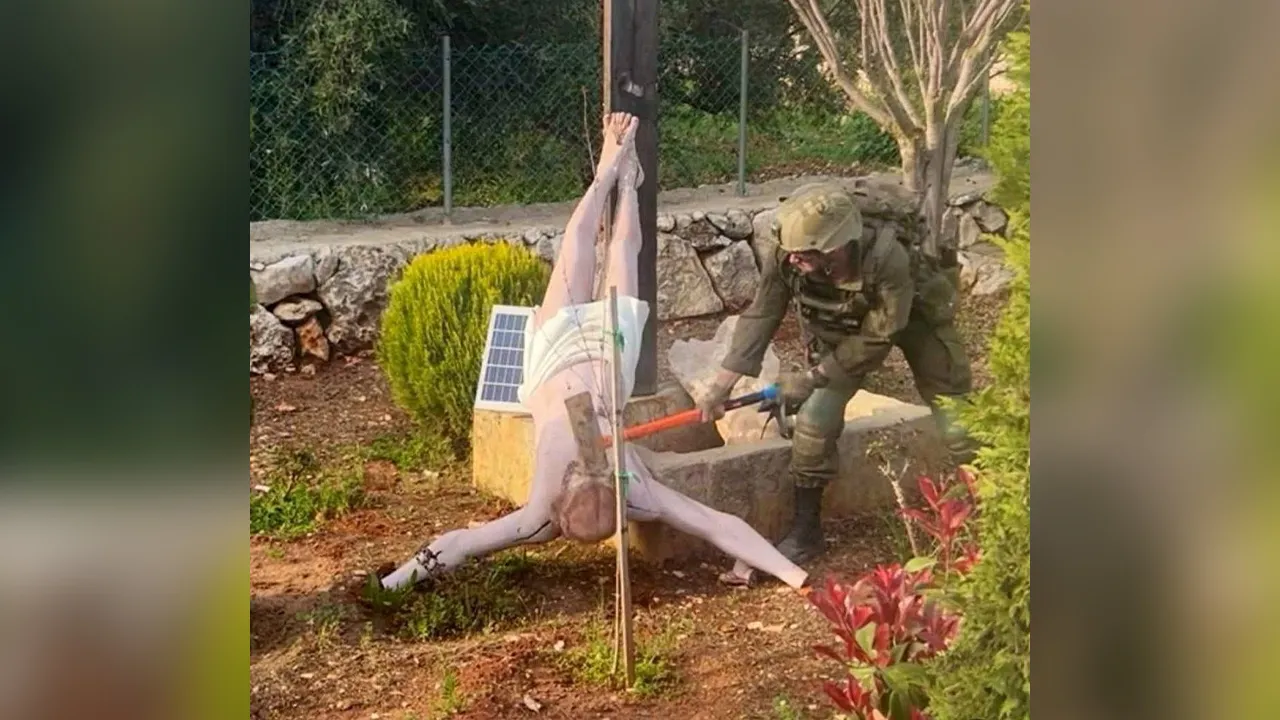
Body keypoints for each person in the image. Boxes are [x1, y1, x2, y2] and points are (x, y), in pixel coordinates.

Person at [380, 112, 809, 593]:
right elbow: (716, 524)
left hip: (552, 360)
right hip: (606, 361)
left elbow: (458, 543)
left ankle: (618, 175)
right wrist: (795, 577)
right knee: (618, 252)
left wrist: (392, 585)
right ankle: (619, 178)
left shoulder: (549, 514)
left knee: (582, 250)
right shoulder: (632, 495)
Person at [697, 183, 976, 566]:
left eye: (804, 254)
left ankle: (986, 501)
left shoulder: (887, 257)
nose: (793, 260)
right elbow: (762, 315)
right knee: (814, 419)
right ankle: (807, 532)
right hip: (846, 328)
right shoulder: (787, 255)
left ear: (836, 247)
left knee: (952, 404)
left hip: (912, 318)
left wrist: (811, 377)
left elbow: (881, 334)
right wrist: (719, 387)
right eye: (792, 252)